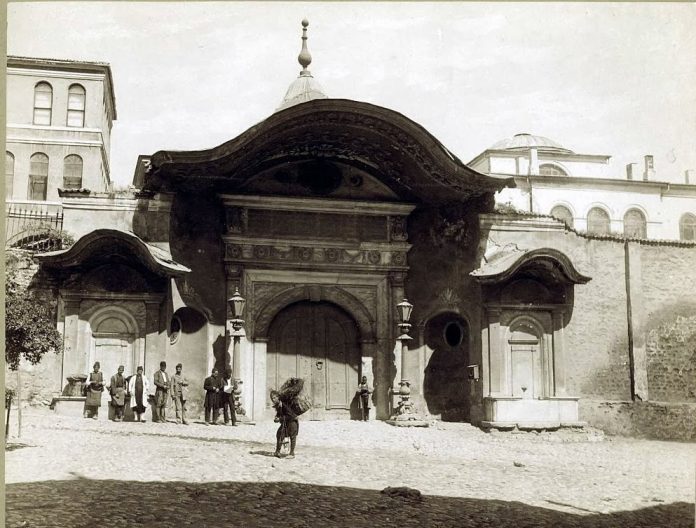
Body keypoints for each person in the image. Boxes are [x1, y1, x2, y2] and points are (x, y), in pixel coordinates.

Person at [271, 390, 299, 459]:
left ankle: (292, 454)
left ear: (278, 397)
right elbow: (280, 414)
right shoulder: (278, 406)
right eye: (272, 398)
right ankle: (277, 451)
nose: (273, 400)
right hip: (286, 423)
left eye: (274, 398)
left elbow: (291, 416)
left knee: (292, 437)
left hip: (293, 423)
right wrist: (276, 418)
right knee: (279, 434)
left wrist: (280, 419)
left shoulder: (285, 405)